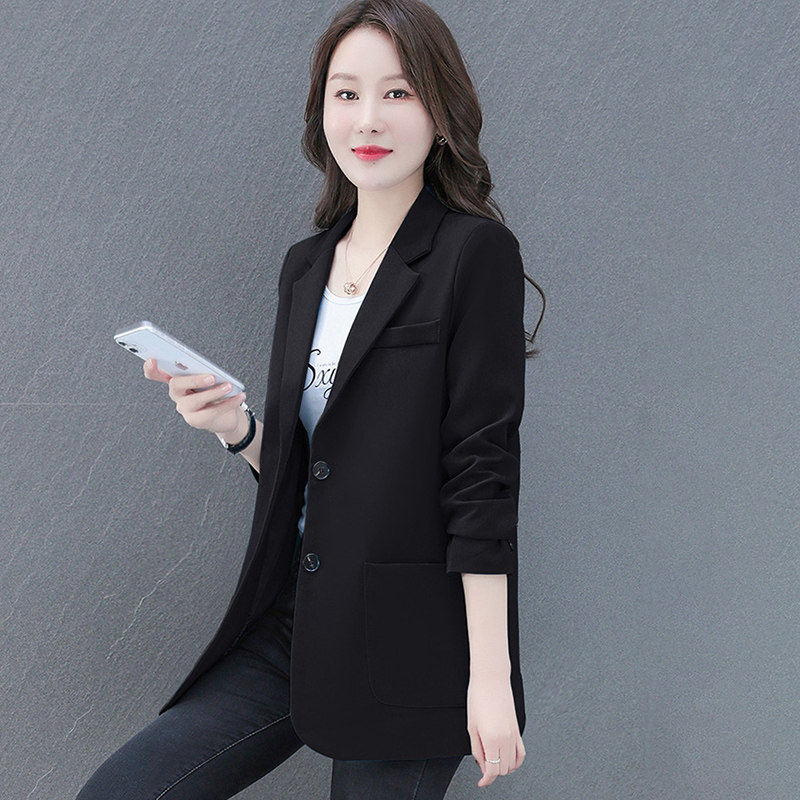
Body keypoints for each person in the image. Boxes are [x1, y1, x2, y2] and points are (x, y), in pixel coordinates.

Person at [77, 1, 542, 797]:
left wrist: (490, 677)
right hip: (297, 619)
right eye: (345, 92)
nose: (368, 118)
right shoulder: (306, 266)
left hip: (412, 641)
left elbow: (482, 478)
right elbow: (319, 470)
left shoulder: (473, 254)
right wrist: (237, 428)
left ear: (440, 111)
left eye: (397, 93)